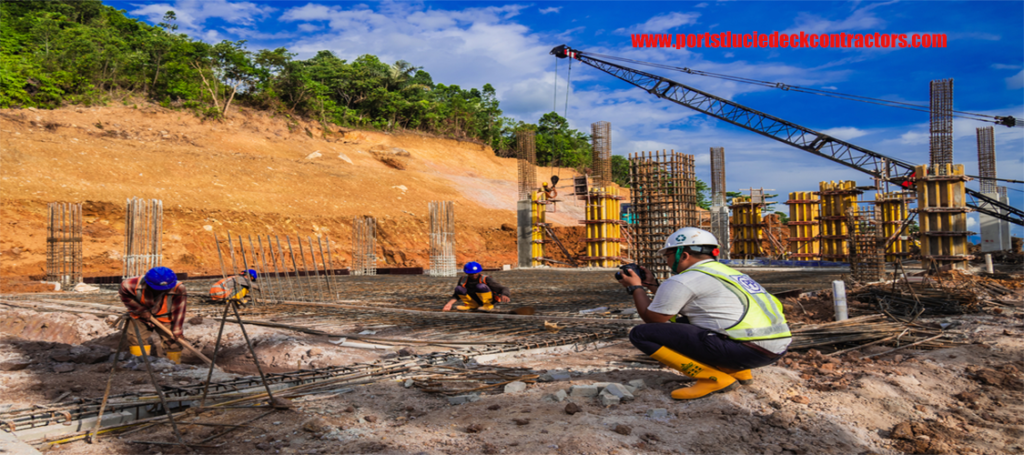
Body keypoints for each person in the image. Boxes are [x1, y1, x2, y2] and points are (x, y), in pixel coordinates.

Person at [617, 227, 791, 400]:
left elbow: (653, 318)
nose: (667, 262)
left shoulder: (683, 279)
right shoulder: (730, 274)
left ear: (683, 255)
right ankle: (738, 371)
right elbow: (676, 305)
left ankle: (713, 379)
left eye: (668, 256)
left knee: (642, 334)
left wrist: (635, 288)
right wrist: (653, 285)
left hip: (744, 351)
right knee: (687, 321)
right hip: (773, 349)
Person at [119, 266, 188, 364]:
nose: (161, 291)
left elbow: (179, 310)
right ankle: (140, 365)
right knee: (135, 337)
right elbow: (125, 297)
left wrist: (177, 330)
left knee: (173, 342)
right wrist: (140, 310)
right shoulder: (129, 285)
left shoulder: (179, 288)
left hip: (166, 316)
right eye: (158, 289)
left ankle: (174, 368)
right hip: (140, 316)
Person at [442, 262, 511, 311]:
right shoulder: (463, 279)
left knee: (480, 286)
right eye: (471, 274)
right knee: (458, 288)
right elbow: (456, 294)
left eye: (475, 273)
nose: (474, 275)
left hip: (489, 300)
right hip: (474, 300)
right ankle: (471, 305)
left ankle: (487, 305)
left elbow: (503, 288)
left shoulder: (485, 279)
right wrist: (449, 304)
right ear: (467, 273)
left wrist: (505, 294)